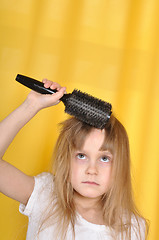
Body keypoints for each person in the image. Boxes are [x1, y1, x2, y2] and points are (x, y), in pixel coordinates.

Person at [0, 79, 148, 240]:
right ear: (66, 160)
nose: (92, 170)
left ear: (121, 165)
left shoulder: (132, 228)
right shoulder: (45, 196)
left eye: (104, 158)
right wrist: (31, 105)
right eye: (82, 156)